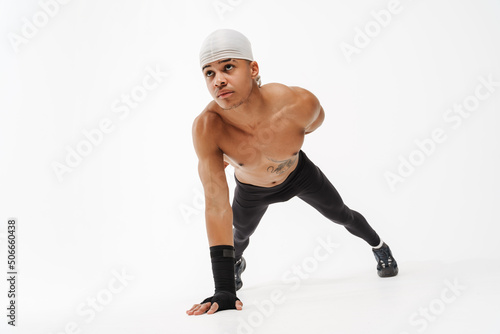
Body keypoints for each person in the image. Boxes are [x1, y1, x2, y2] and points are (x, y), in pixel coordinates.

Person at [186, 29, 398, 316]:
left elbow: (313, 124)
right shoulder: (208, 128)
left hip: (300, 175)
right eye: (208, 73)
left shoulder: (298, 103)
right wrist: (224, 288)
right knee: (240, 235)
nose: (218, 80)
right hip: (252, 189)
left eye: (228, 67)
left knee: (341, 214)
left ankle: (379, 246)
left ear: (253, 68)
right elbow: (215, 205)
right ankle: (235, 266)